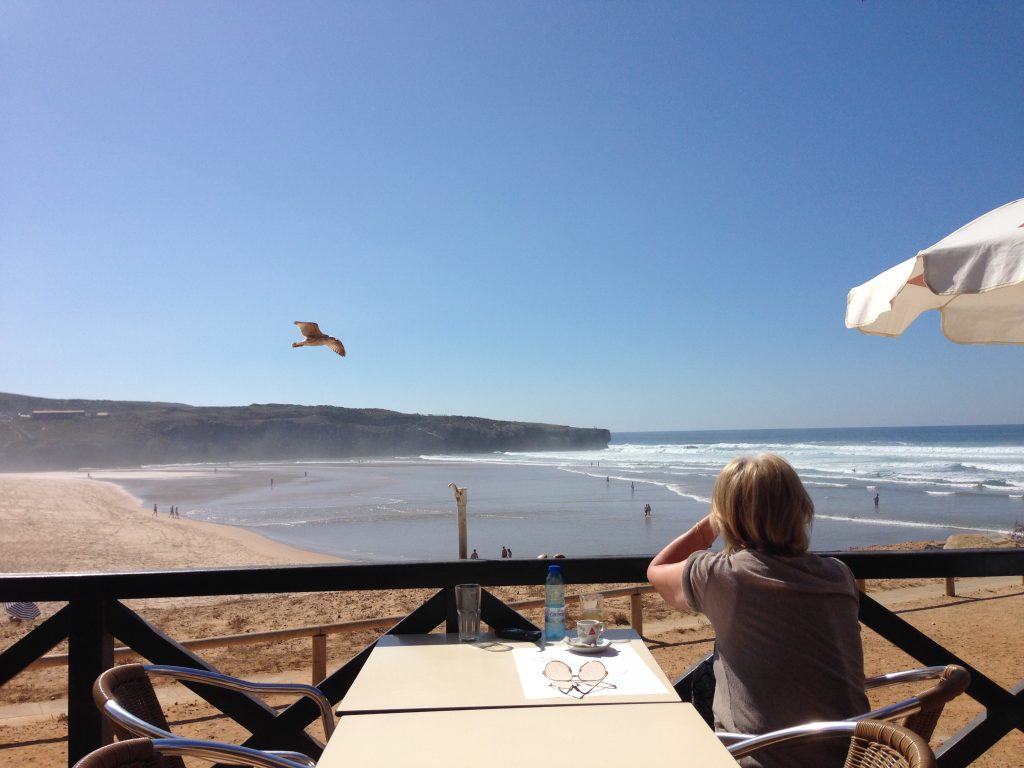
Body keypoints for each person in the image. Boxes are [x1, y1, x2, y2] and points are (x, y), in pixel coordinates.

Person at [647, 454, 868, 768]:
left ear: (727, 517)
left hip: (758, 758)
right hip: (856, 755)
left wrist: (711, 524)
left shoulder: (723, 574)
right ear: (800, 508)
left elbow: (657, 570)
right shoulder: (838, 573)